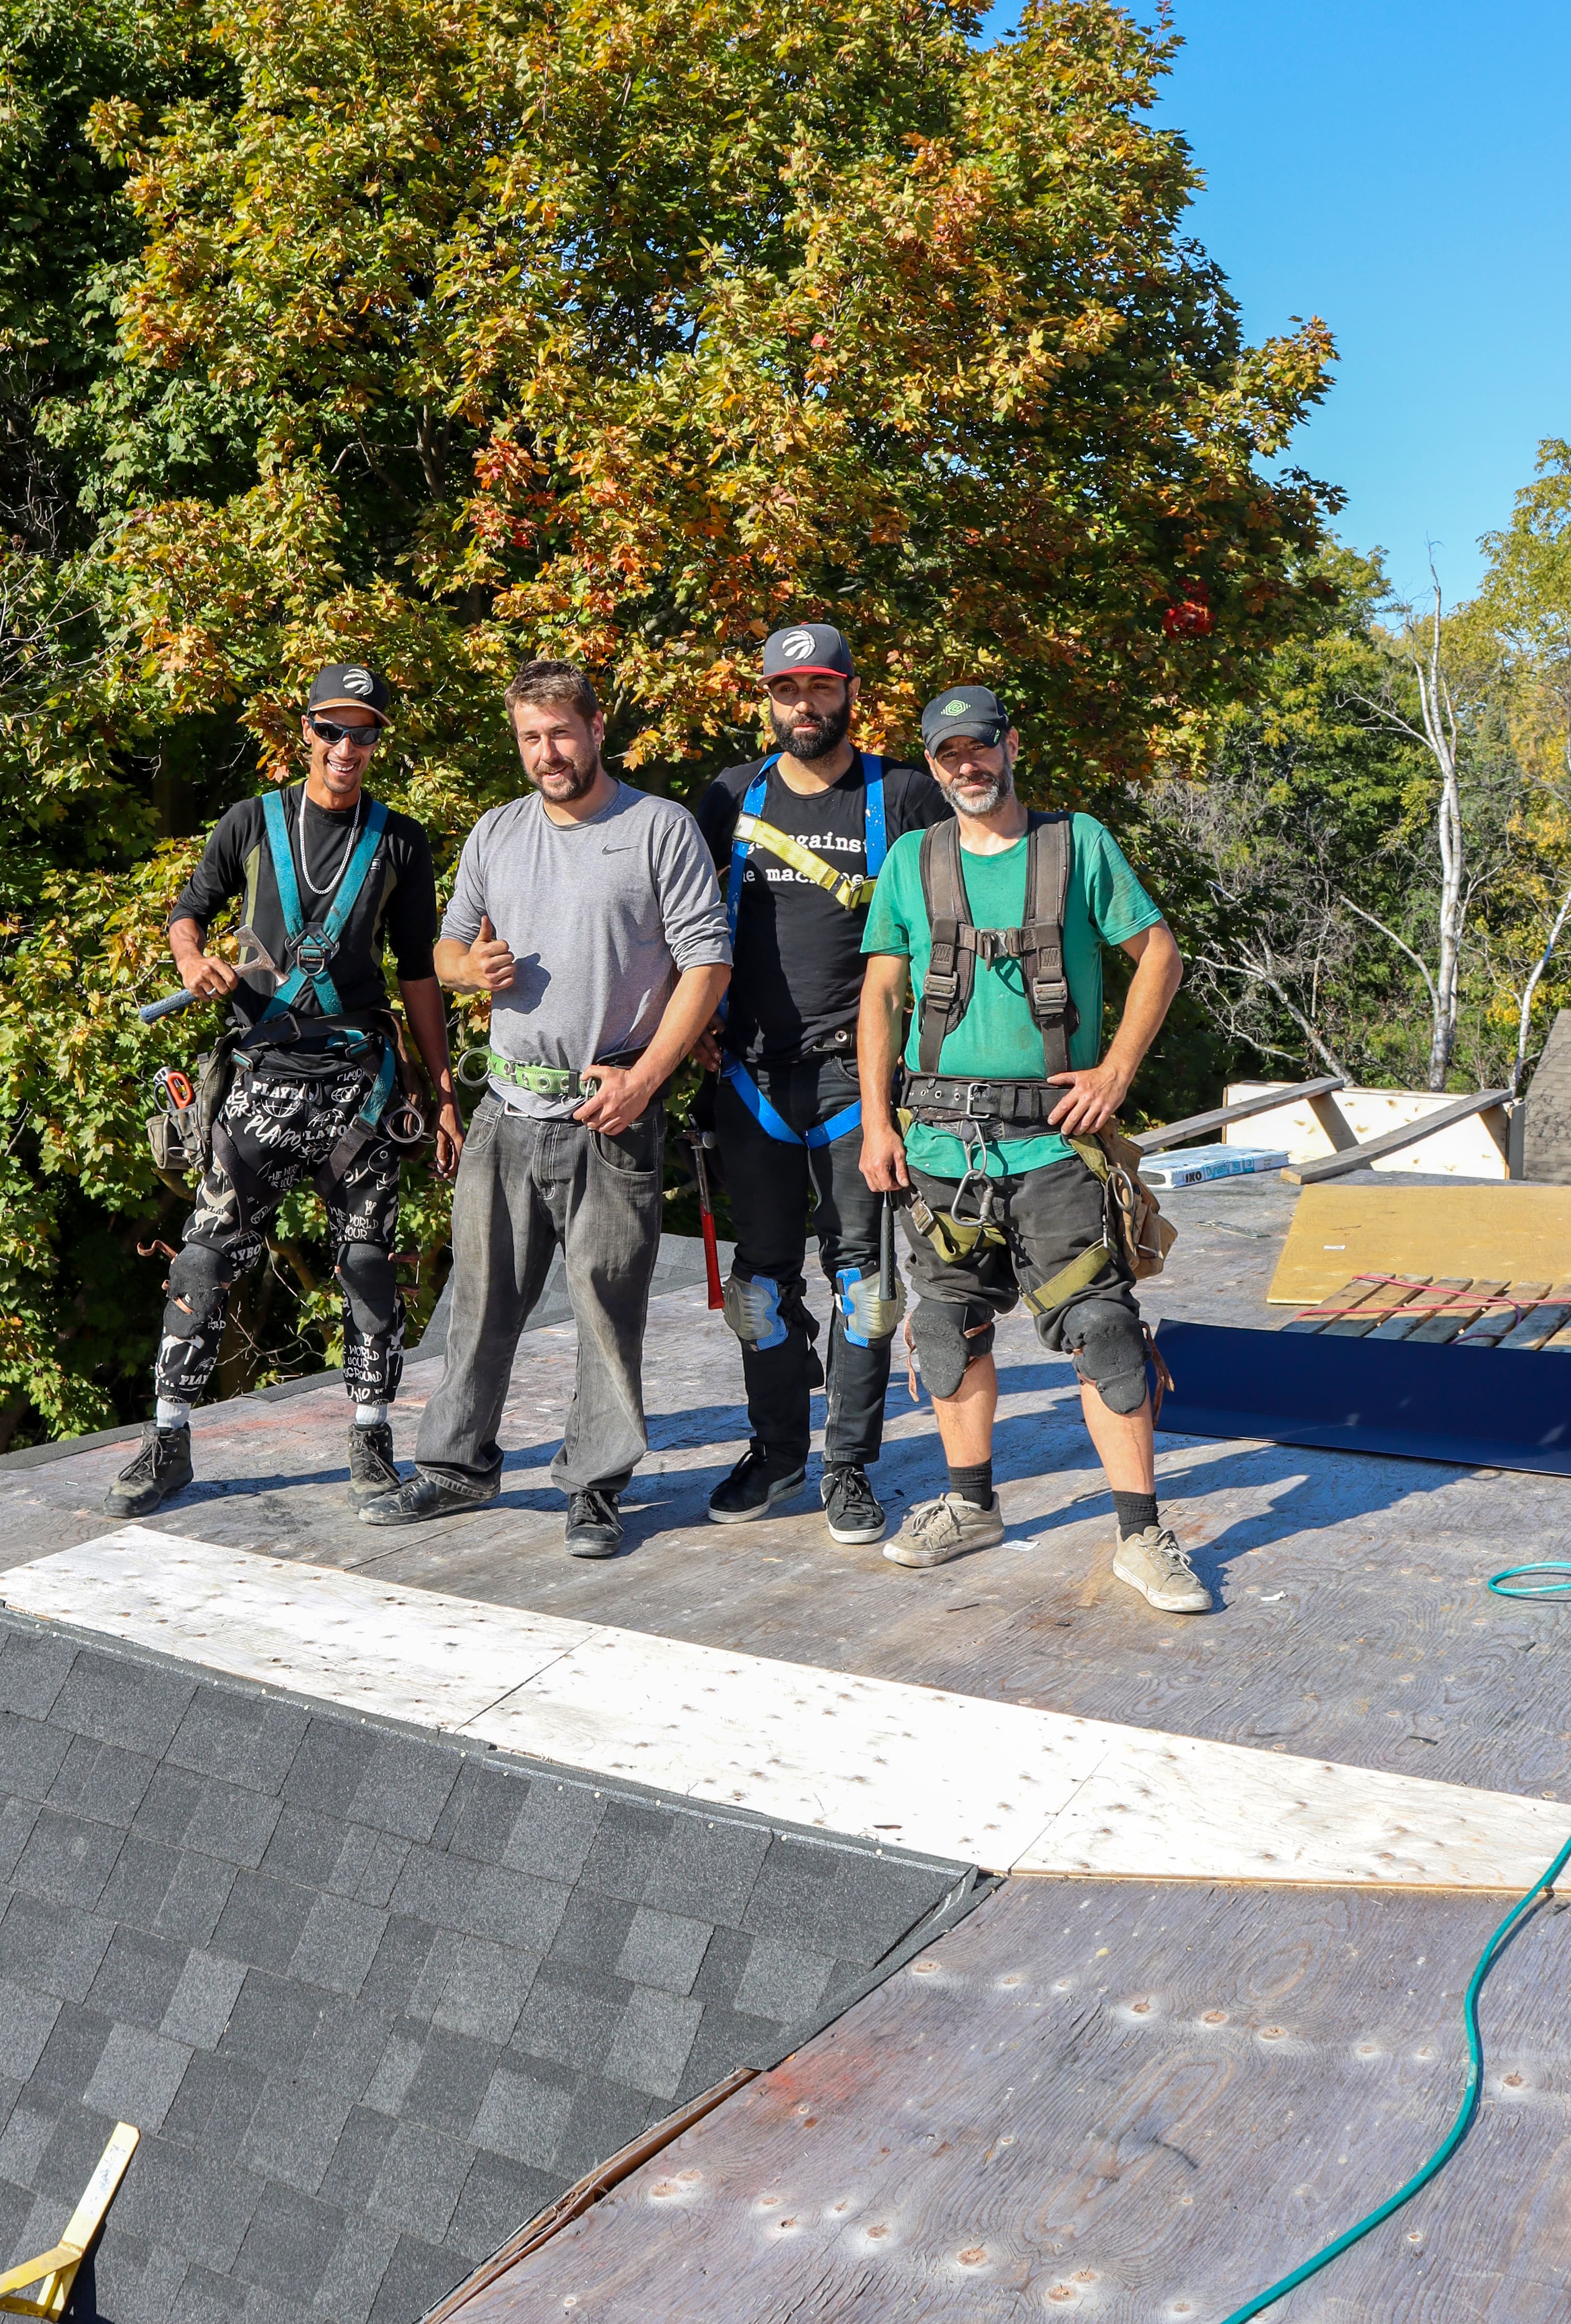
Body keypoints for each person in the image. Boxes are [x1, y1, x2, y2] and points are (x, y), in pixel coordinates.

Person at [362, 658, 733, 1560]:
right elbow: (441, 953)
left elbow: (708, 964)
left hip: (611, 1107)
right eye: (530, 738)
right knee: (480, 1302)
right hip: (508, 1107)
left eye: (561, 733)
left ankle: (597, 1487)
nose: (547, 753)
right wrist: (467, 970)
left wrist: (644, 1078)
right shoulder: (497, 832)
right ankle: (457, 1467)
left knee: (607, 1305)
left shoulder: (659, 829)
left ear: (597, 728)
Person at [856, 684, 1205, 1613]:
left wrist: (1116, 1075)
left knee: (1105, 1331)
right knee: (944, 1327)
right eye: (946, 755)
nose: (966, 766)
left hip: (1056, 1146)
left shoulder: (1077, 843)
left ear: (1011, 746)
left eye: (980, 748)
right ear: (931, 765)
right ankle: (970, 1508)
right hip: (938, 1148)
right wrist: (878, 1123)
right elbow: (881, 998)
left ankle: (1142, 1537)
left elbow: (1161, 955)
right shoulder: (911, 861)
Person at [110, 664, 462, 1519]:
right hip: (260, 1074)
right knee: (202, 1255)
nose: (348, 747)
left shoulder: (401, 842)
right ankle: (166, 1439)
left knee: (371, 1263)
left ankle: (371, 1437)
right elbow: (188, 912)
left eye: (364, 732)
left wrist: (445, 1095)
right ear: (304, 733)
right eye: (333, 730)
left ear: (379, 741)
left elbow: (419, 974)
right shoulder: (251, 823)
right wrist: (193, 962)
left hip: (358, 1085)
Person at [693, 623, 947, 1544]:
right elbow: (676, 929)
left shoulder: (906, 795)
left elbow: (951, 925)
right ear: (767, 697)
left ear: (850, 692)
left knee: (866, 1289)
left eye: (822, 688)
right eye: (788, 690)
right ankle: (778, 1452)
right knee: (758, 1290)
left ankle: (849, 1467)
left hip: (860, 1078)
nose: (806, 706)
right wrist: (680, 1036)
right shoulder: (728, 796)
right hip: (750, 1072)